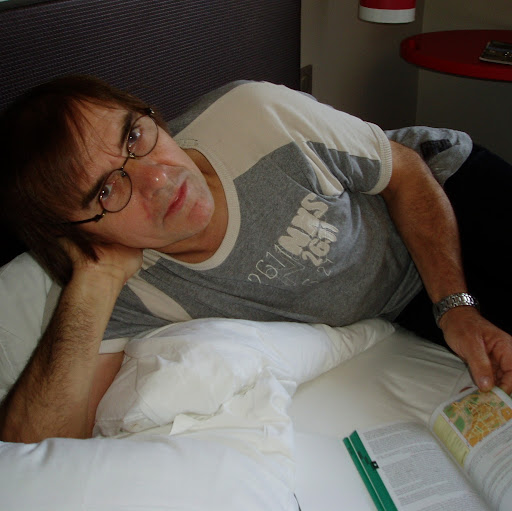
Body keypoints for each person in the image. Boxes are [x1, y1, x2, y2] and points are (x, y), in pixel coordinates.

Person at [0, 76, 511, 443]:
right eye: (108, 190)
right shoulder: (124, 289)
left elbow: (406, 172)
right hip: (402, 304)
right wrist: (94, 279)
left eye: (134, 135)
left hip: (447, 194)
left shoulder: (255, 116)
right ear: (76, 233)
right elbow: (34, 452)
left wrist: (456, 307)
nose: (158, 178)